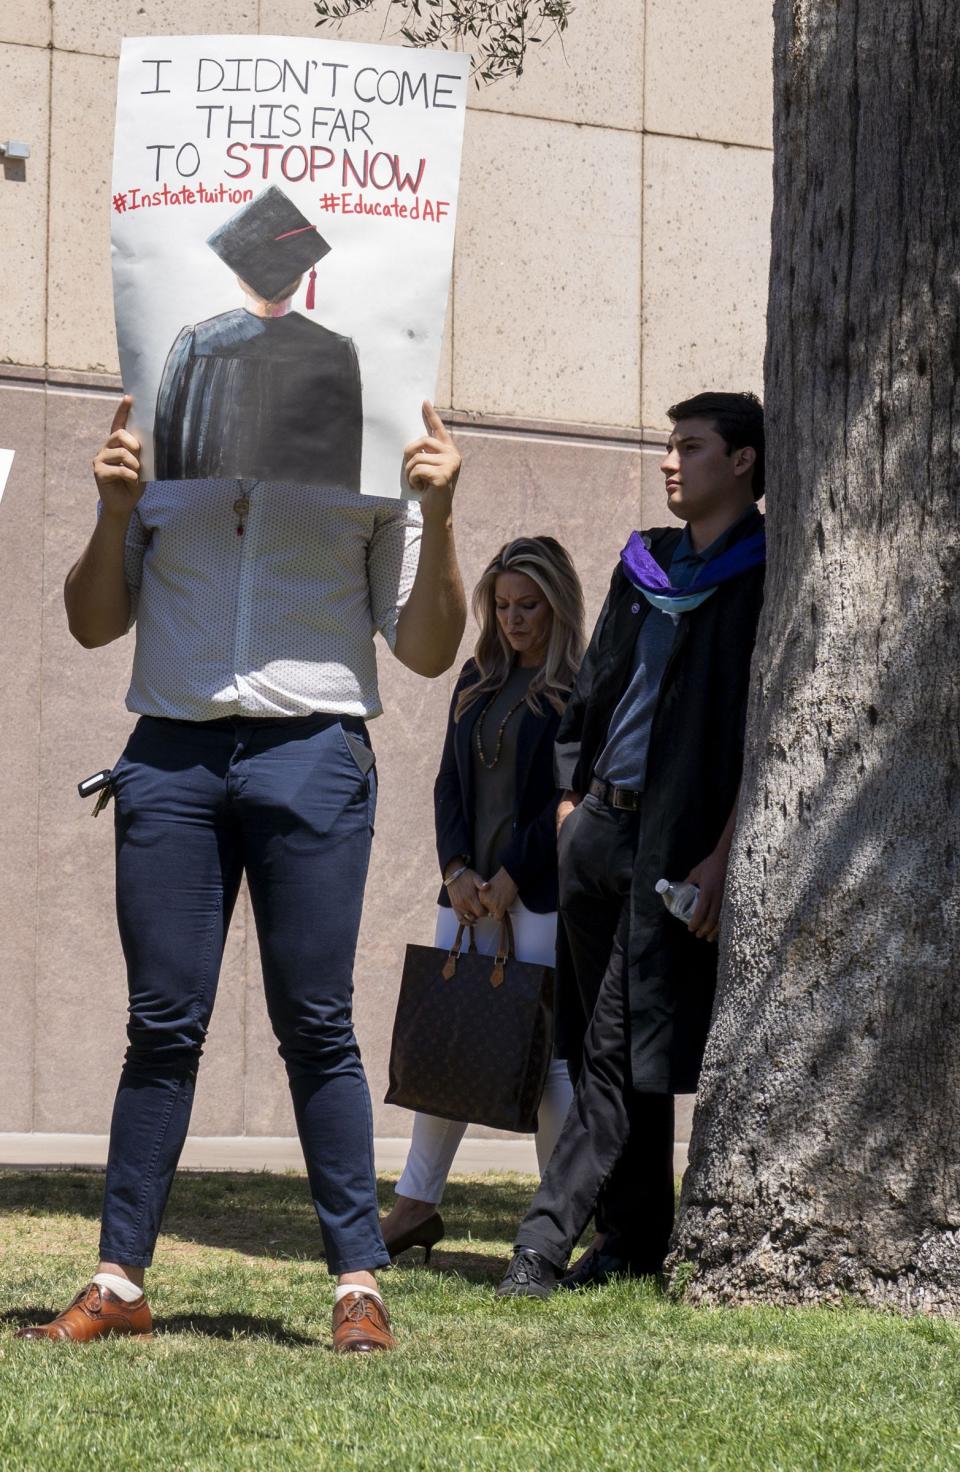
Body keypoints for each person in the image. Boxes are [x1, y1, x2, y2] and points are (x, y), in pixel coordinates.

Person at [15, 392, 465, 1352]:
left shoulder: (375, 447)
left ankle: (356, 1286)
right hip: (172, 754)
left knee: (316, 1023)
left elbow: (428, 649)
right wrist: (113, 511)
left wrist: (441, 514)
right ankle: (118, 1281)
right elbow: (93, 625)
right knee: (162, 1026)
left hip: (313, 749)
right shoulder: (163, 445)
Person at [496, 391, 767, 1297]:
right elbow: (598, 681)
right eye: (668, 444)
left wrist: (724, 853)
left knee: (617, 1042)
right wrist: (570, 799)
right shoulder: (644, 564)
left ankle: (540, 1244)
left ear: (744, 462)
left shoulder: (763, 575)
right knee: (602, 1043)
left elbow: (763, 730)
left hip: (673, 842)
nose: (669, 461)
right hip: (597, 828)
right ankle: (635, 1238)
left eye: (690, 447)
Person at [379, 537, 586, 1262]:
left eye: (528, 605)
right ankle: (413, 1207)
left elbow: (570, 799)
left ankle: (551, 1226)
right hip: (466, 895)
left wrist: (512, 879)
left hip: (541, 894)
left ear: (558, 604)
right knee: (448, 1037)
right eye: (501, 606)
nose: (514, 620)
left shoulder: (578, 689)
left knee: (551, 1054)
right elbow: (447, 784)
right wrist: (457, 868)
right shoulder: (475, 676)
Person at [154, 185, 362, 487]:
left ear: (239, 278)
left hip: (206, 515)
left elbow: (166, 447)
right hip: (300, 521)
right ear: (302, 277)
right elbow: (346, 464)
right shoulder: (335, 351)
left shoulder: (198, 342)